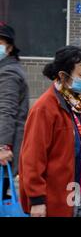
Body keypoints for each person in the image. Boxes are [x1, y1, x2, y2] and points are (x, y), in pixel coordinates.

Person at [19, 46, 81, 217]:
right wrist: (37, 200)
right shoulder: (45, 108)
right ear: (64, 76)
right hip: (56, 196)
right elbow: (32, 158)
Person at [0, 23, 29, 199]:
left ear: (9, 48)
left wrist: (3, 147)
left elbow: (6, 111)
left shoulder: (8, 73)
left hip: (3, 152)